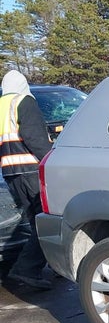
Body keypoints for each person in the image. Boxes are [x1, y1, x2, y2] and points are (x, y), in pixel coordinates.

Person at [0, 70, 54, 289]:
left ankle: (45, 265)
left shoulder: (2, 105)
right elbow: (34, 137)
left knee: (34, 221)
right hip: (31, 169)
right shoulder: (24, 101)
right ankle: (27, 269)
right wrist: (52, 159)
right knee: (44, 222)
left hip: (10, 173)